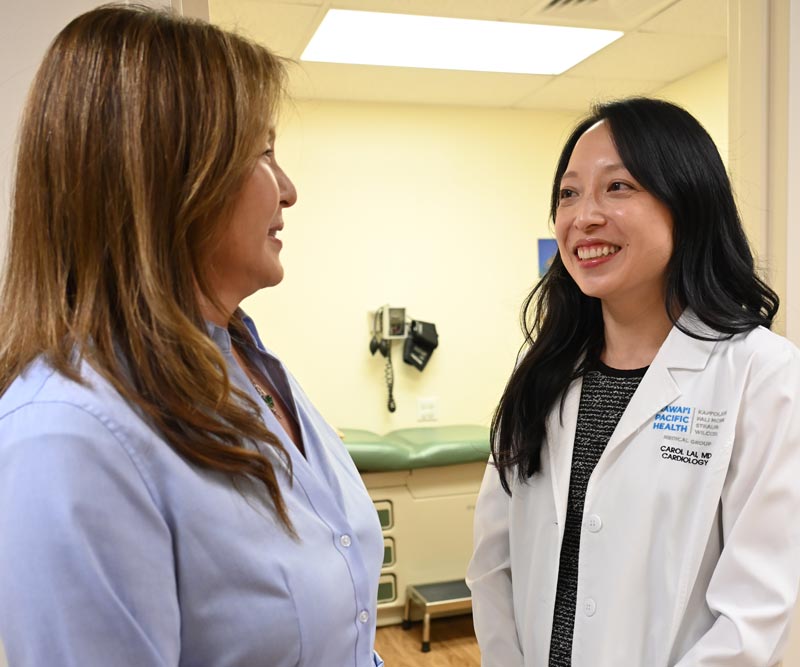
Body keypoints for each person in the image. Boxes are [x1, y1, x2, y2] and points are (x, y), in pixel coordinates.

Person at [0, 6, 384, 666]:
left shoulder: (249, 364)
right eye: (263, 153)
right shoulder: (70, 435)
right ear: (170, 174)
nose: (288, 191)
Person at [467, 97, 800, 667]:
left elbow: (753, 613)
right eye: (568, 193)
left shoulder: (761, 375)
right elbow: (493, 566)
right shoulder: (543, 375)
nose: (583, 216)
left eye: (616, 188)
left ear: (687, 202)